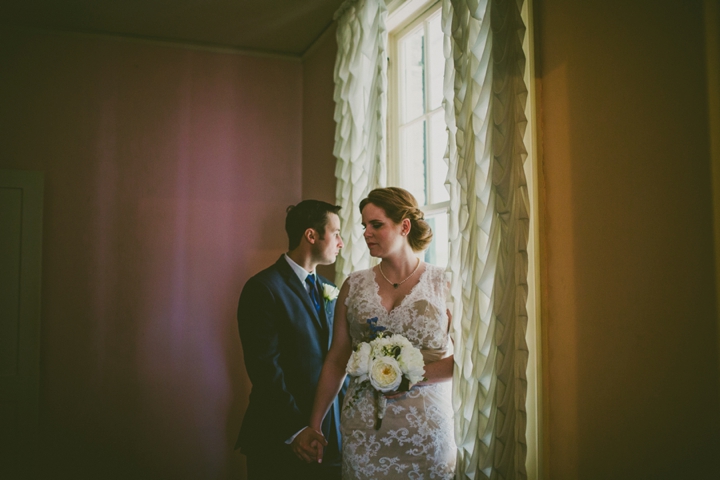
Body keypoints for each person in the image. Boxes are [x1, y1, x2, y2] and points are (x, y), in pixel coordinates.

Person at [293, 187, 456, 479]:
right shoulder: (353, 285)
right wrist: (314, 423)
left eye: (376, 225)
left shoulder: (443, 283)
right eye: (364, 226)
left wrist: (410, 379)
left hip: (426, 432)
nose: (366, 233)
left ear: (404, 226)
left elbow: (467, 362)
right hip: (364, 431)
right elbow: (337, 359)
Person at [236, 200, 345, 480]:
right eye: (336, 233)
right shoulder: (263, 288)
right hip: (278, 437)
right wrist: (296, 430)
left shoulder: (330, 290)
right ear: (311, 235)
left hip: (329, 437)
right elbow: (265, 369)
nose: (341, 242)